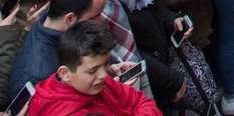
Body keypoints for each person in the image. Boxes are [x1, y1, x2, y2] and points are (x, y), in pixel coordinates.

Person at [28, 20, 162, 116]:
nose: (104, 75)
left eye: (106, 64)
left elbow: (140, 100)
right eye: (92, 70)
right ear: (65, 73)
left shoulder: (94, 81)